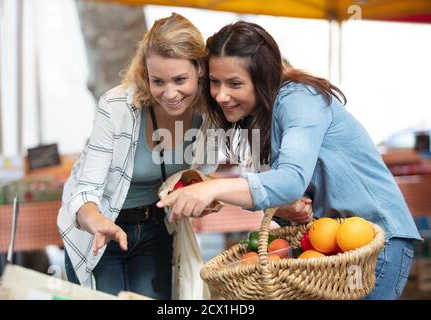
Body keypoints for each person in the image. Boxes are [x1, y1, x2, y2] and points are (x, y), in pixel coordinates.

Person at [157, 21, 422, 299]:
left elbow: (291, 179)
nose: (221, 95)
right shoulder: (257, 116)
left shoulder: (299, 98)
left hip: (375, 246)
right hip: (330, 249)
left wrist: (214, 188)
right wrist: (282, 207)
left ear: (263, 79)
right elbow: (279, 188)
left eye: (235, 83)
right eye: (215, 82)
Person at [57, 13, 207, 299]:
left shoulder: (205, 115)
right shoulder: (117, 107)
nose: (170, 93)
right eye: (158, 81)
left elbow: (203, 175)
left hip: (154, 228)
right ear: (145, 74)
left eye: (180, 79)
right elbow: (84, 191)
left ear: (199, 70)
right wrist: (97, 222)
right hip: (98, 231)